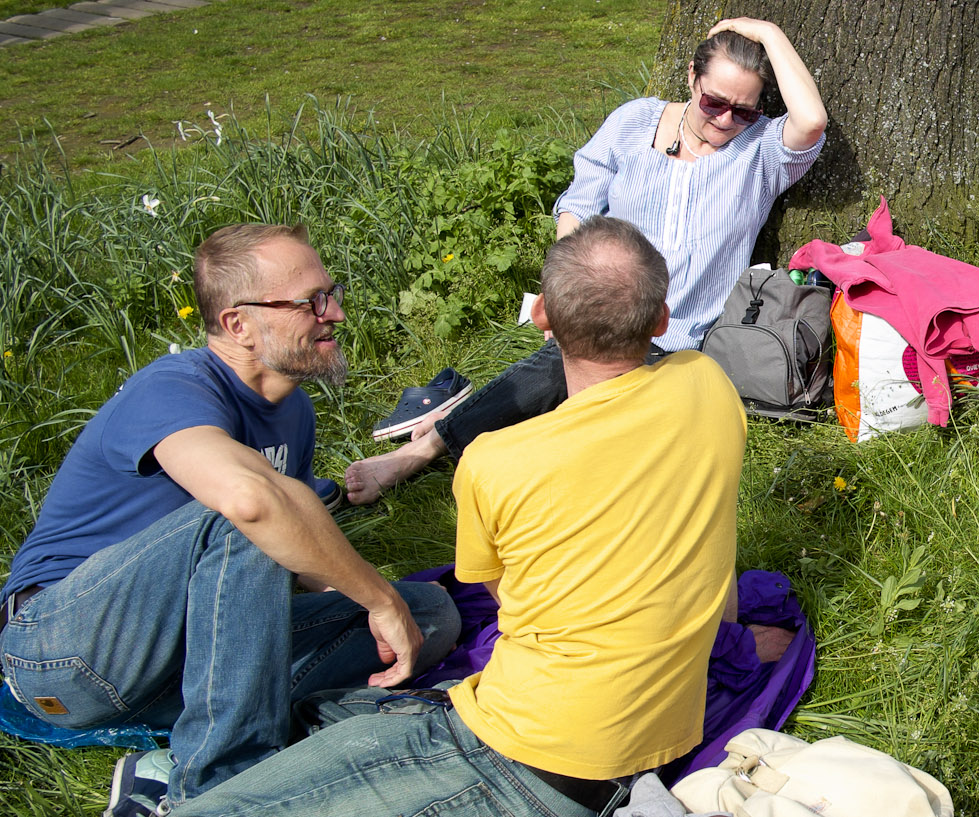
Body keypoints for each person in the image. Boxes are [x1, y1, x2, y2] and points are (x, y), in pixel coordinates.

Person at [174, 216, 748, 817]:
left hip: (523, 756)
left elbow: (508, 594)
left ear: (542, 318)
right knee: (323, 717)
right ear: (660, 319)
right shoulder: (709, 383)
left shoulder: (495, 461)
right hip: (653, 740)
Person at [0, 224, 459, 815]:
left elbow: (281, 562)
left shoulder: (291, 410)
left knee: (430, 613)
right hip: (63, 651)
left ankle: (179, 756)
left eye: (332, 293)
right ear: (238, 324)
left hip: (183, 658)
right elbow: (249, 505)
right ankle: (217, 786)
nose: (336, 314)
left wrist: (389, 605)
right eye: (311, 302)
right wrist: (376, 599)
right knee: (250, 515)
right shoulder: (172, 388)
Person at [342, 17, 826, 504]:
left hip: (678, 344)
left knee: (593, 402)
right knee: (572, 367)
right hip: (602, 309)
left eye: (742, 111)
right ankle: (424, 450)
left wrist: (765, 32)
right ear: (691, 78)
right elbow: (579, 203)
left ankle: (457, 426)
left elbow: (810, 121)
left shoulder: (759, 152)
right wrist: (565, 290)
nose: (724, 120)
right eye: (714, 102)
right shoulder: (634, 121)